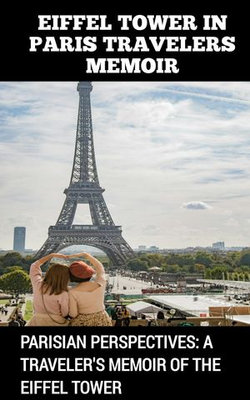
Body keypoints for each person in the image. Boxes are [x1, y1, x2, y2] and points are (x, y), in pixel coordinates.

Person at [68, 252, 112, 326]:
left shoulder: (72, 292)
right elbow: (100, 268)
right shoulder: (101, 283)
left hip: (83, 321)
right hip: (102, 318)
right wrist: (87, 255)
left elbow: (73, 314)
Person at [27, 253, 70, 326]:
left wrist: (51, 255)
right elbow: (65, 313)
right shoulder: (63, 293)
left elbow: (34, 265)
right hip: (56, 322)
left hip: (37, 321)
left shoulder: (38, 284)